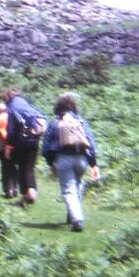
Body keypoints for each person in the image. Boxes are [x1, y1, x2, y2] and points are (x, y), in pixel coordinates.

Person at [41, 94, 101, 232]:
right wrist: (94, 164)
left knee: (68, 190)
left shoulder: (56, 123)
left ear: (58, 108)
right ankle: (73, 214)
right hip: (81, 159)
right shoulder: (81, 121)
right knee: (78, 185)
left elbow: (46, 146)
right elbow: (90, 143)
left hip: (63, 159)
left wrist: (51, 163)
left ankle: (77, 220)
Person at [2, 88, 48, 207]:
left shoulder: (12, 107)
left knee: (22, 167)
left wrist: (8, 145)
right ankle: (30, 192)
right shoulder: (25, 103)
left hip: (21, 141)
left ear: (7, 98)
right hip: (35, 138)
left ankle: (29, 193)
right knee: (30, 167)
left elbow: (11, 130)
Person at [0, 102, 18, 198]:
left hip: (3, 145)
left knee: (5, 167)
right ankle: (15, 188)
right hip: (14, 144)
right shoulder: (13, 116)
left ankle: (7, 189)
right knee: (13, 166)